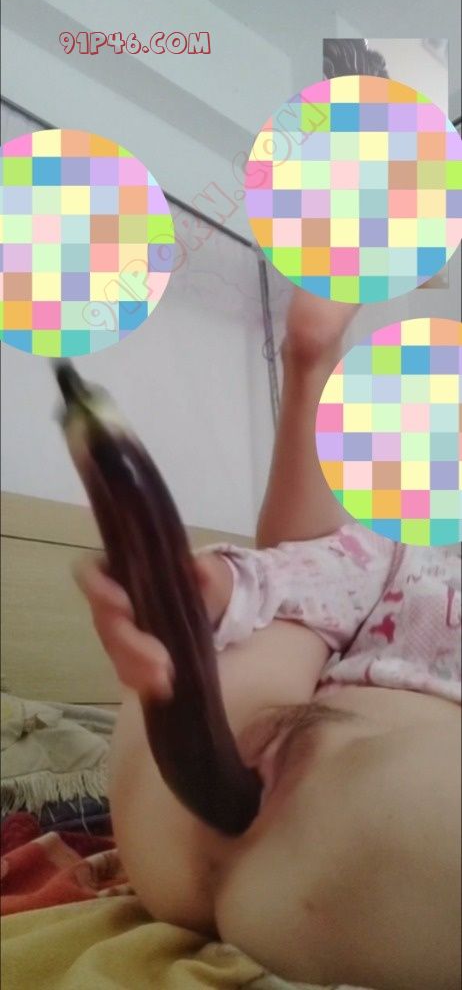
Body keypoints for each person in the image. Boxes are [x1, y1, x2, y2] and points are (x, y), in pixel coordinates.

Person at [76, 289, 461, 990]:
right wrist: (208, 591)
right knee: (273, 610)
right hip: (185, 795)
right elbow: (306, 566)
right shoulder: (408, 557)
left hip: (361, 833)